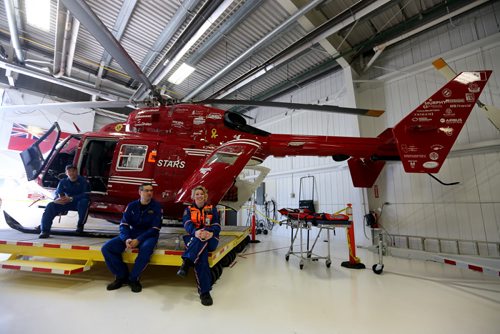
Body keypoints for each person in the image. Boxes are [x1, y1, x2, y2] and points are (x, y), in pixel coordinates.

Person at [101, 183, 162, 293]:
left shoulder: (156, 207)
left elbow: (155, 228)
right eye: (147, 190)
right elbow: (123, 224)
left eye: (151, 191)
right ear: (140, 192)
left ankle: (133, 279)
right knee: (107, 248)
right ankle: (121, 276)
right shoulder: (132, 206)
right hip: (132, 233)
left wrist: (138, 240)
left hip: (149, 235)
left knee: (146, 249)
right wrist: (127, 239)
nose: (149, 193)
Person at [177, 185, 221, 306]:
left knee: (201, 242)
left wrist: (210, 232)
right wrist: (196, 232)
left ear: (205, 195)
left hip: (211, 238)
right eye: (197, 194)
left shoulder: (213, 209)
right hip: (194, 236)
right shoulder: (188, 210)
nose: (199, 196)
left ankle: (186, 262)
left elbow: (217, 225)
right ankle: (205, 293)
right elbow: (186, 223)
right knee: (202, 258)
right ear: (193, 196)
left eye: (201, 194)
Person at [38, 165, 90, 238]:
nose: (71, 173)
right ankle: (44, 231)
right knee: (50, 205)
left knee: (84, 201)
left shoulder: (83, 181)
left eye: (73, 171)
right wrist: (58, 199)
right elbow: (57, 192)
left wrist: (72, 198)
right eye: (69, 171)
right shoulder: (63, 182)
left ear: (77, 172)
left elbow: (86, 194)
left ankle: (80, 225)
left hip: (77, 202)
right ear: (66, 173)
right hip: (65, 202)